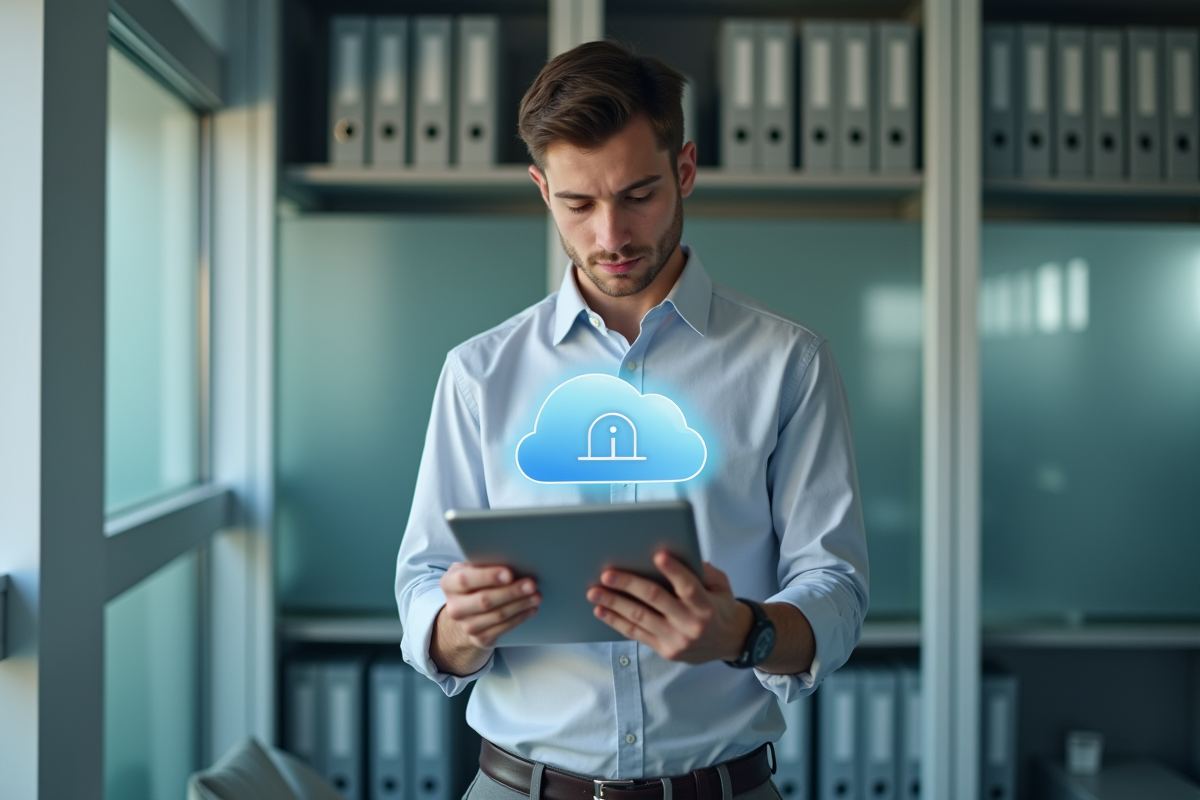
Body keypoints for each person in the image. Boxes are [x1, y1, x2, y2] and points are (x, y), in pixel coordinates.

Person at [395, 40, 868, 800]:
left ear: (684, 171)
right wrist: (460, 629)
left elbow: (836, 587)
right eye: (578, 204)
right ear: (542, 189)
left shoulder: (790, 363)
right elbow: (421, 580)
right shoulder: (478, 374)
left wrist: (744, 633)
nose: (610, 236)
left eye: (638, 194)